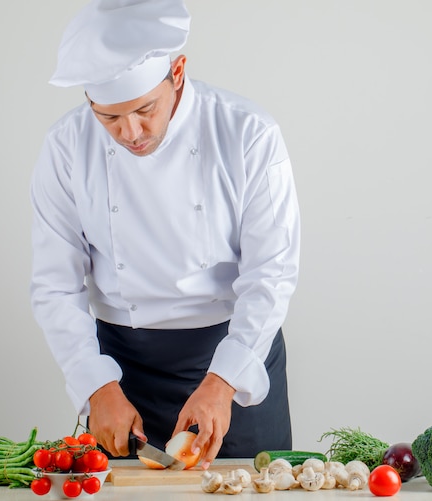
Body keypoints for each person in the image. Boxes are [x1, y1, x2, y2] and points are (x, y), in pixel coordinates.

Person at [30, 0, 300, 469]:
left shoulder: (247, 134)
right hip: (123, 367)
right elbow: (55, 284)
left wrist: (223, 381)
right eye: (108, 117)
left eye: (144, 109)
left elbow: (271, 274)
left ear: (178, 71)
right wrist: (96, 385)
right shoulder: (65, 147)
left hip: (235, 353)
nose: (130, 133)